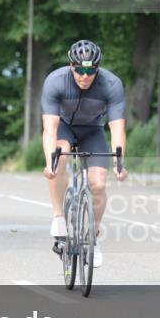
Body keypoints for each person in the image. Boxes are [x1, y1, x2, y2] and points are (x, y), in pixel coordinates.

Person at [41, 40, 128, 268]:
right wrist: (50, 161)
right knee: (61, 156)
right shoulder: (55, 81)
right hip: (64, 127)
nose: (85, 76)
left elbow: (117, 127)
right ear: (71, 66)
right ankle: (59, 215)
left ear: (97, 68)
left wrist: (120, 163)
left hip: (93, 130)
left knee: (98, 184)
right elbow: (49, 128)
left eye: (91, 70)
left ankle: (93, 238)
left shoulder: (111, 84)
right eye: (80, 70)